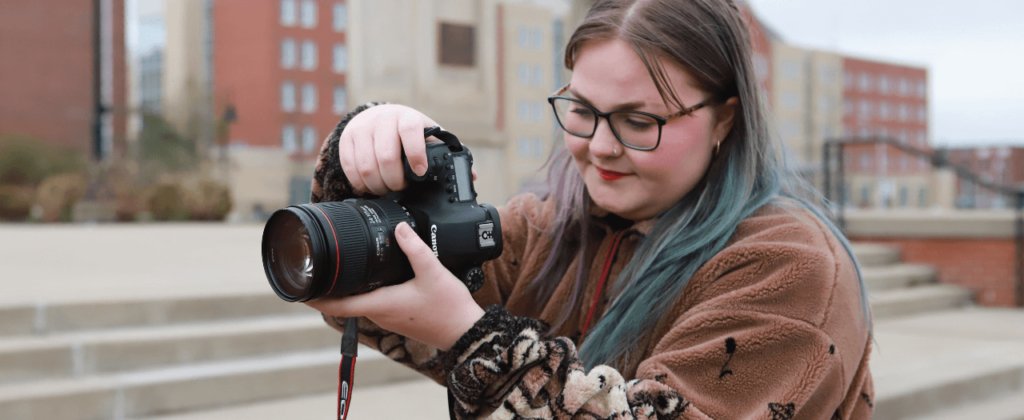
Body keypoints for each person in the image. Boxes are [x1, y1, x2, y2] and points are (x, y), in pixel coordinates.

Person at [306, 0, 873, 418]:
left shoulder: (789, 269)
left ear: (725, 117)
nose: (599, 146)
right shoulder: (548, 228)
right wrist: (363, 164)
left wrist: (471, 340)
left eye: (637, 121)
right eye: (581, 109)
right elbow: (349, 288)